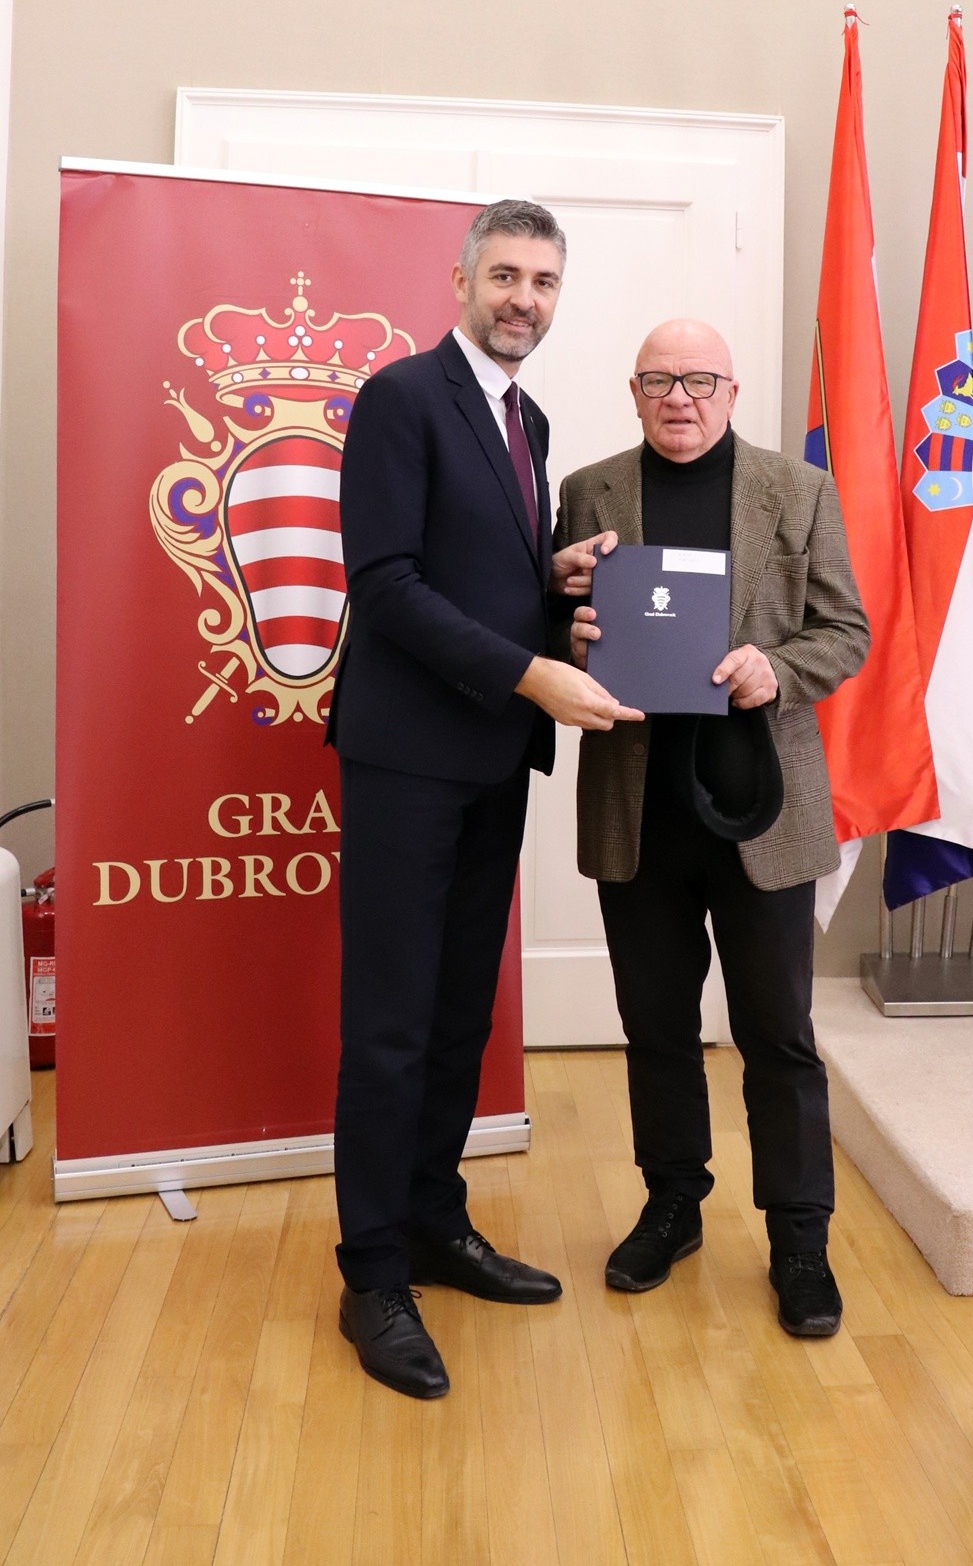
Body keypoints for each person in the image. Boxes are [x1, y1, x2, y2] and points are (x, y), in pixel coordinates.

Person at [329, 200, 641, 1399]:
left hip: (490, 761)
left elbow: (470, 567)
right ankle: (371, 1273)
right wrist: (531, 671)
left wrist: (549, 579)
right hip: (407, 761)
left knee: (462, 1010)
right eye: (504, 275)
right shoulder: (402, 397)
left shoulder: (527, 416)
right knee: (392, 1023)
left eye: (543, 281)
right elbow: (386, 584)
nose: (524, 298)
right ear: (461, 279)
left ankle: (431, 1221)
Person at [555, 318, 869, 1338]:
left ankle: (800, 1239)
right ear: (634, 393)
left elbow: (846, 631)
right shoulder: (589, 492)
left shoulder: (798, 490)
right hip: (637, 807)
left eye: (699, 380)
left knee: (778, 1035)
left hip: (761, 807)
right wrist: (571, 634)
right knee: (655, 1027)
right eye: (659, 381)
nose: (679, 398)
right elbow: (554, 624)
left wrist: (779, 668)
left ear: (731, 391)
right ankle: (673, 1206)